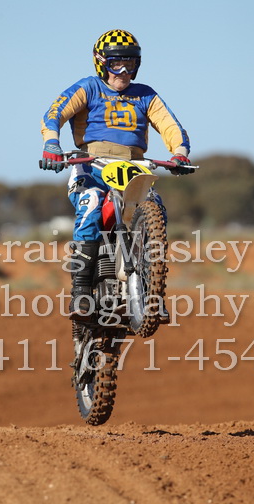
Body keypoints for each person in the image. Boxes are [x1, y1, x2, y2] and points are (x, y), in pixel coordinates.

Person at [40, 29, 194, 318]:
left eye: (130, 64)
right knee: (91, 203)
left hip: (135, 167)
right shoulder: (89, 87)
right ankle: (81, 292)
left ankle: (151, 293)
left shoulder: (145, 94)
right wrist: (51, 143)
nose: (123, 72)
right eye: (116, 64)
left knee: (155, 207)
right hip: (90, 166)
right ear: (101, 63)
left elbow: (171, 125)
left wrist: (180, 153)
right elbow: (54, 113)